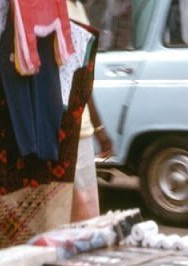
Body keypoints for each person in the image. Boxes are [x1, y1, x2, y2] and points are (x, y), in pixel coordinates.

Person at [67, 0, 115, 222]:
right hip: (66, 128)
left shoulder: (77, 7)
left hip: (82, 129)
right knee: (73, 216)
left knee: (86, 216)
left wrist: (98, 127)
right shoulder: (59, 7)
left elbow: (85, 78)